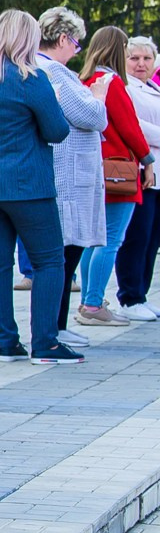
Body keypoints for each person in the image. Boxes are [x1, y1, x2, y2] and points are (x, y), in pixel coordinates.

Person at [0, 9, 78, 363]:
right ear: (27, 38)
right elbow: (57, 131)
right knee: (50, 260)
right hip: (27, 186)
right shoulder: (31, 78)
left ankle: (6, 343)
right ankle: (46, 344)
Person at [73, 26, 155, 327]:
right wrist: (147, 159)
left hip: (96, 168)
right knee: (111, 240)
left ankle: (88, 301)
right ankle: (93, 304)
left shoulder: (86, 79)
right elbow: (129, 127)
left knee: (92, 240)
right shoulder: (112, 82)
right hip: (119, 171)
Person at [35, 9, 110, 332]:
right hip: (68, 179)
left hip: (69, 175)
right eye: (76, 44)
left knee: (66, 257)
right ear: (63, 38)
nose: (77, 51)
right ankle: (55, 328)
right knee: (65, 256)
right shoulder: (55, 72)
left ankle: (57, 327)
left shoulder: (51, 70)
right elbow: (92, 117)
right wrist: (98, 96)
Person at [115, 36, 160, 321]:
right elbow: (133, 125)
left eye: (146, 58)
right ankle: (129, 297)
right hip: (139, 173)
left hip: (157, 175)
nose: (141, 64)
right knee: (136, 236)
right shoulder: (125, 87)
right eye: (134, 58)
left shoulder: (153, 86)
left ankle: (141, 293)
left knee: (152, 238)